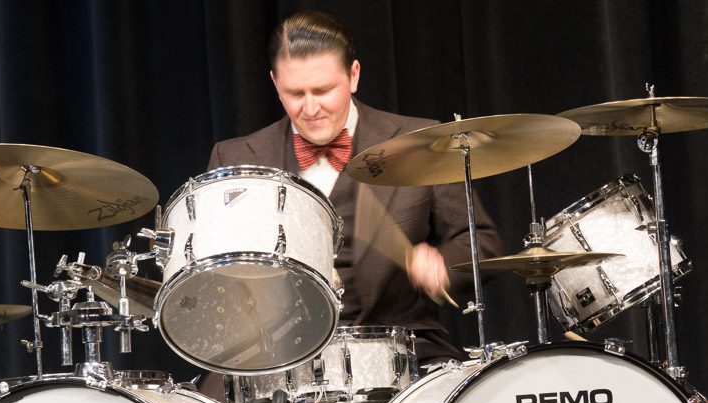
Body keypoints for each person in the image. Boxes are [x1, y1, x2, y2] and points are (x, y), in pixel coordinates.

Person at [205, 11, 503, 372]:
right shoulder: (235, 157)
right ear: (274, 82)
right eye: (295, 93)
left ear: (354, 75)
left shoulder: (421, 142)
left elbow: (482, 242)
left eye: (323, 90)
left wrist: (442, 264)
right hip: (274, 360)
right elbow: (211, 276)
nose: (310, 108)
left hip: (405, 352)